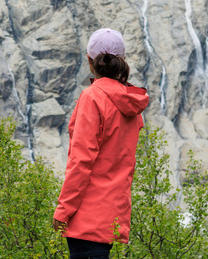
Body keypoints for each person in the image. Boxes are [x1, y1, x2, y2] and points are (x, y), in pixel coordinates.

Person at [52, 28, 150, 259]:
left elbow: (81, 160)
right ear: (121, 61)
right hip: (113, 214)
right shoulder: (131, 101)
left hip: (87, 216)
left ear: (89, 61)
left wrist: (63, 209)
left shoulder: (92, 97)